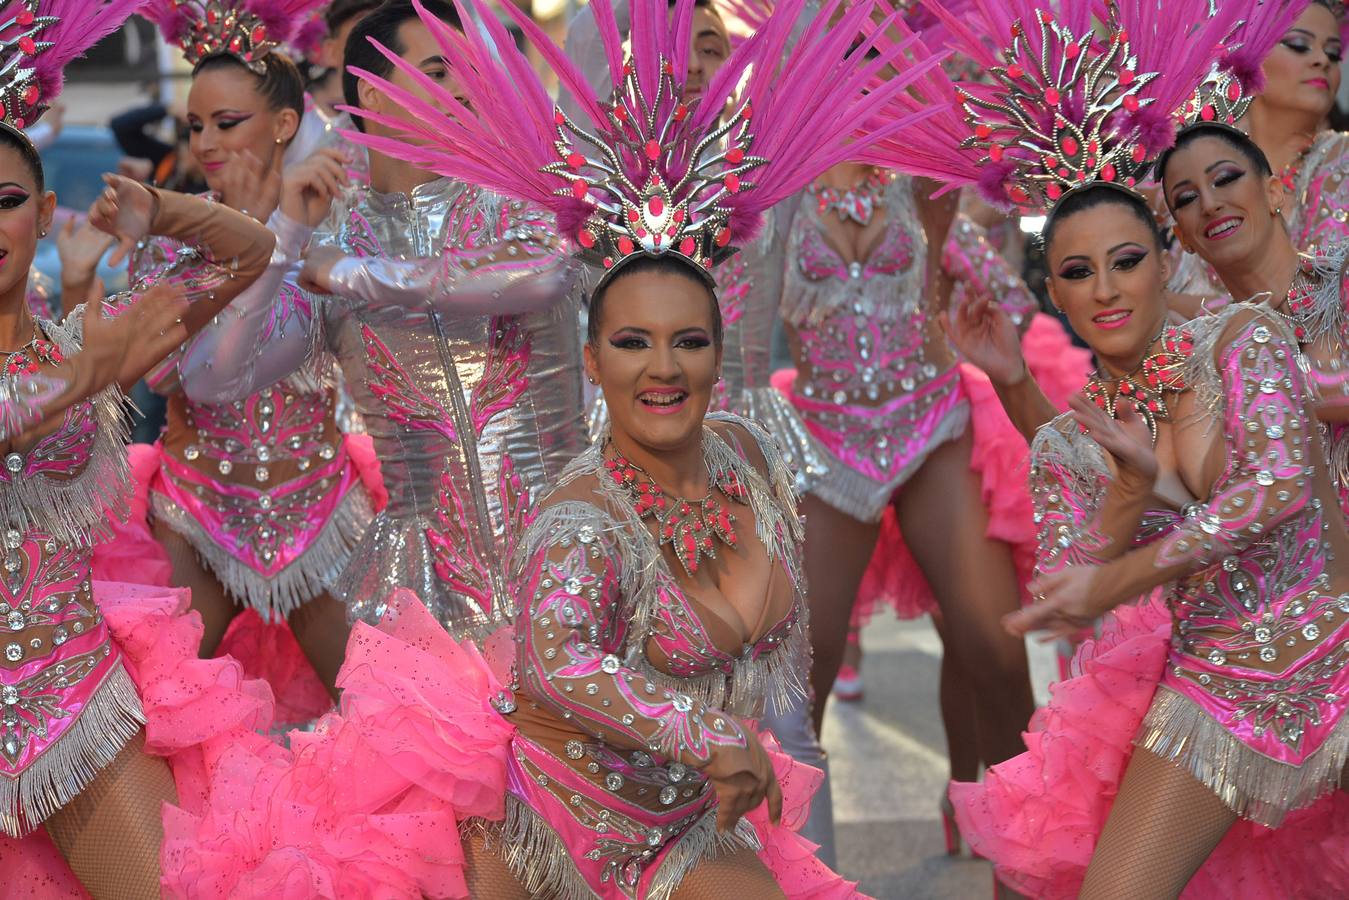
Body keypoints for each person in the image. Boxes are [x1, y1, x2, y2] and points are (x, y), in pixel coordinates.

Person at [908, 2, 1349, 896]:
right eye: (1076, 272)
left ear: (1163, 258)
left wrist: (1123, 573)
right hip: (1214, 685)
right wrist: (1124, 494)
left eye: (1125, 260)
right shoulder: (1074, 441)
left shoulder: (1241, 343)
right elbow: (1072, 589)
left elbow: (1278, 485)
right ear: (1054, 297)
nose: (1105, 288)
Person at [176, 0, 588, 637]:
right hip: (425, 593)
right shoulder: (332, 234)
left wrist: (353, 275)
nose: (466, 87)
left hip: (567, 561)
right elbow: (211, 378)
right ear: (372, 90)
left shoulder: (524, 190)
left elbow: (546, 273)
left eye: (469, 69)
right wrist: (285, 237)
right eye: (438, 70)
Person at [0, 4, 283, 896]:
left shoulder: (88, 342)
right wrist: (77, 381)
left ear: (45, 214)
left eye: (6, 202)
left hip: (68, 694)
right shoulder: (89, 356)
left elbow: (251, 254)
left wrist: (165, 209)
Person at [125, 0, 378, 708]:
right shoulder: (170, 242)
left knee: (368, 709)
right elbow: (170, 373)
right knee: (162, 709)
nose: (207, 141)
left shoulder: (336, 236)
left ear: (284, 125)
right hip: (195, 509)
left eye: (227, 123)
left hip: (318, 505)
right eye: (195, 125)